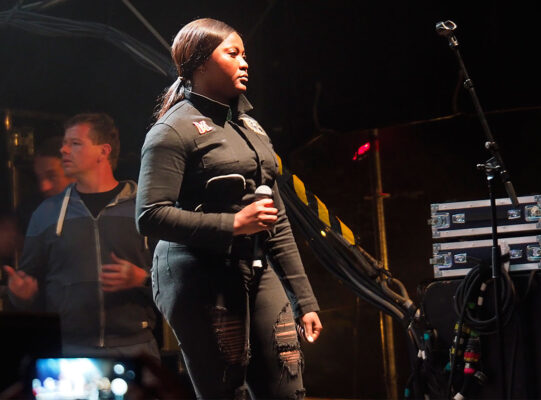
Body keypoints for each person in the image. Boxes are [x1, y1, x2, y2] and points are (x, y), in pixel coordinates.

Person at [136, 18, 323, 399]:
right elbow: (150, 214)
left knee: (288, 387)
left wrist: (303, 299)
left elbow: (278, 217)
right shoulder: (173, 131)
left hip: (255, 268)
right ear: (201, 63)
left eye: (245, 54)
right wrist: (233, 223)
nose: (244, 62)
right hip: (198, 276)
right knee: (226, 390)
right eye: (232, 53)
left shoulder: (250, 127)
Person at [3, 113, 159, 361]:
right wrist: (20, 295)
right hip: (68, 352)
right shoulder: (46, 214)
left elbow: (175, 283)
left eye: (75, 143)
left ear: (103, 151)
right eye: (65, 143)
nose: (64, 149)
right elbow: (28, 292)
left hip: (135, 348)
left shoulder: (144, 209)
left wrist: (142, 279)